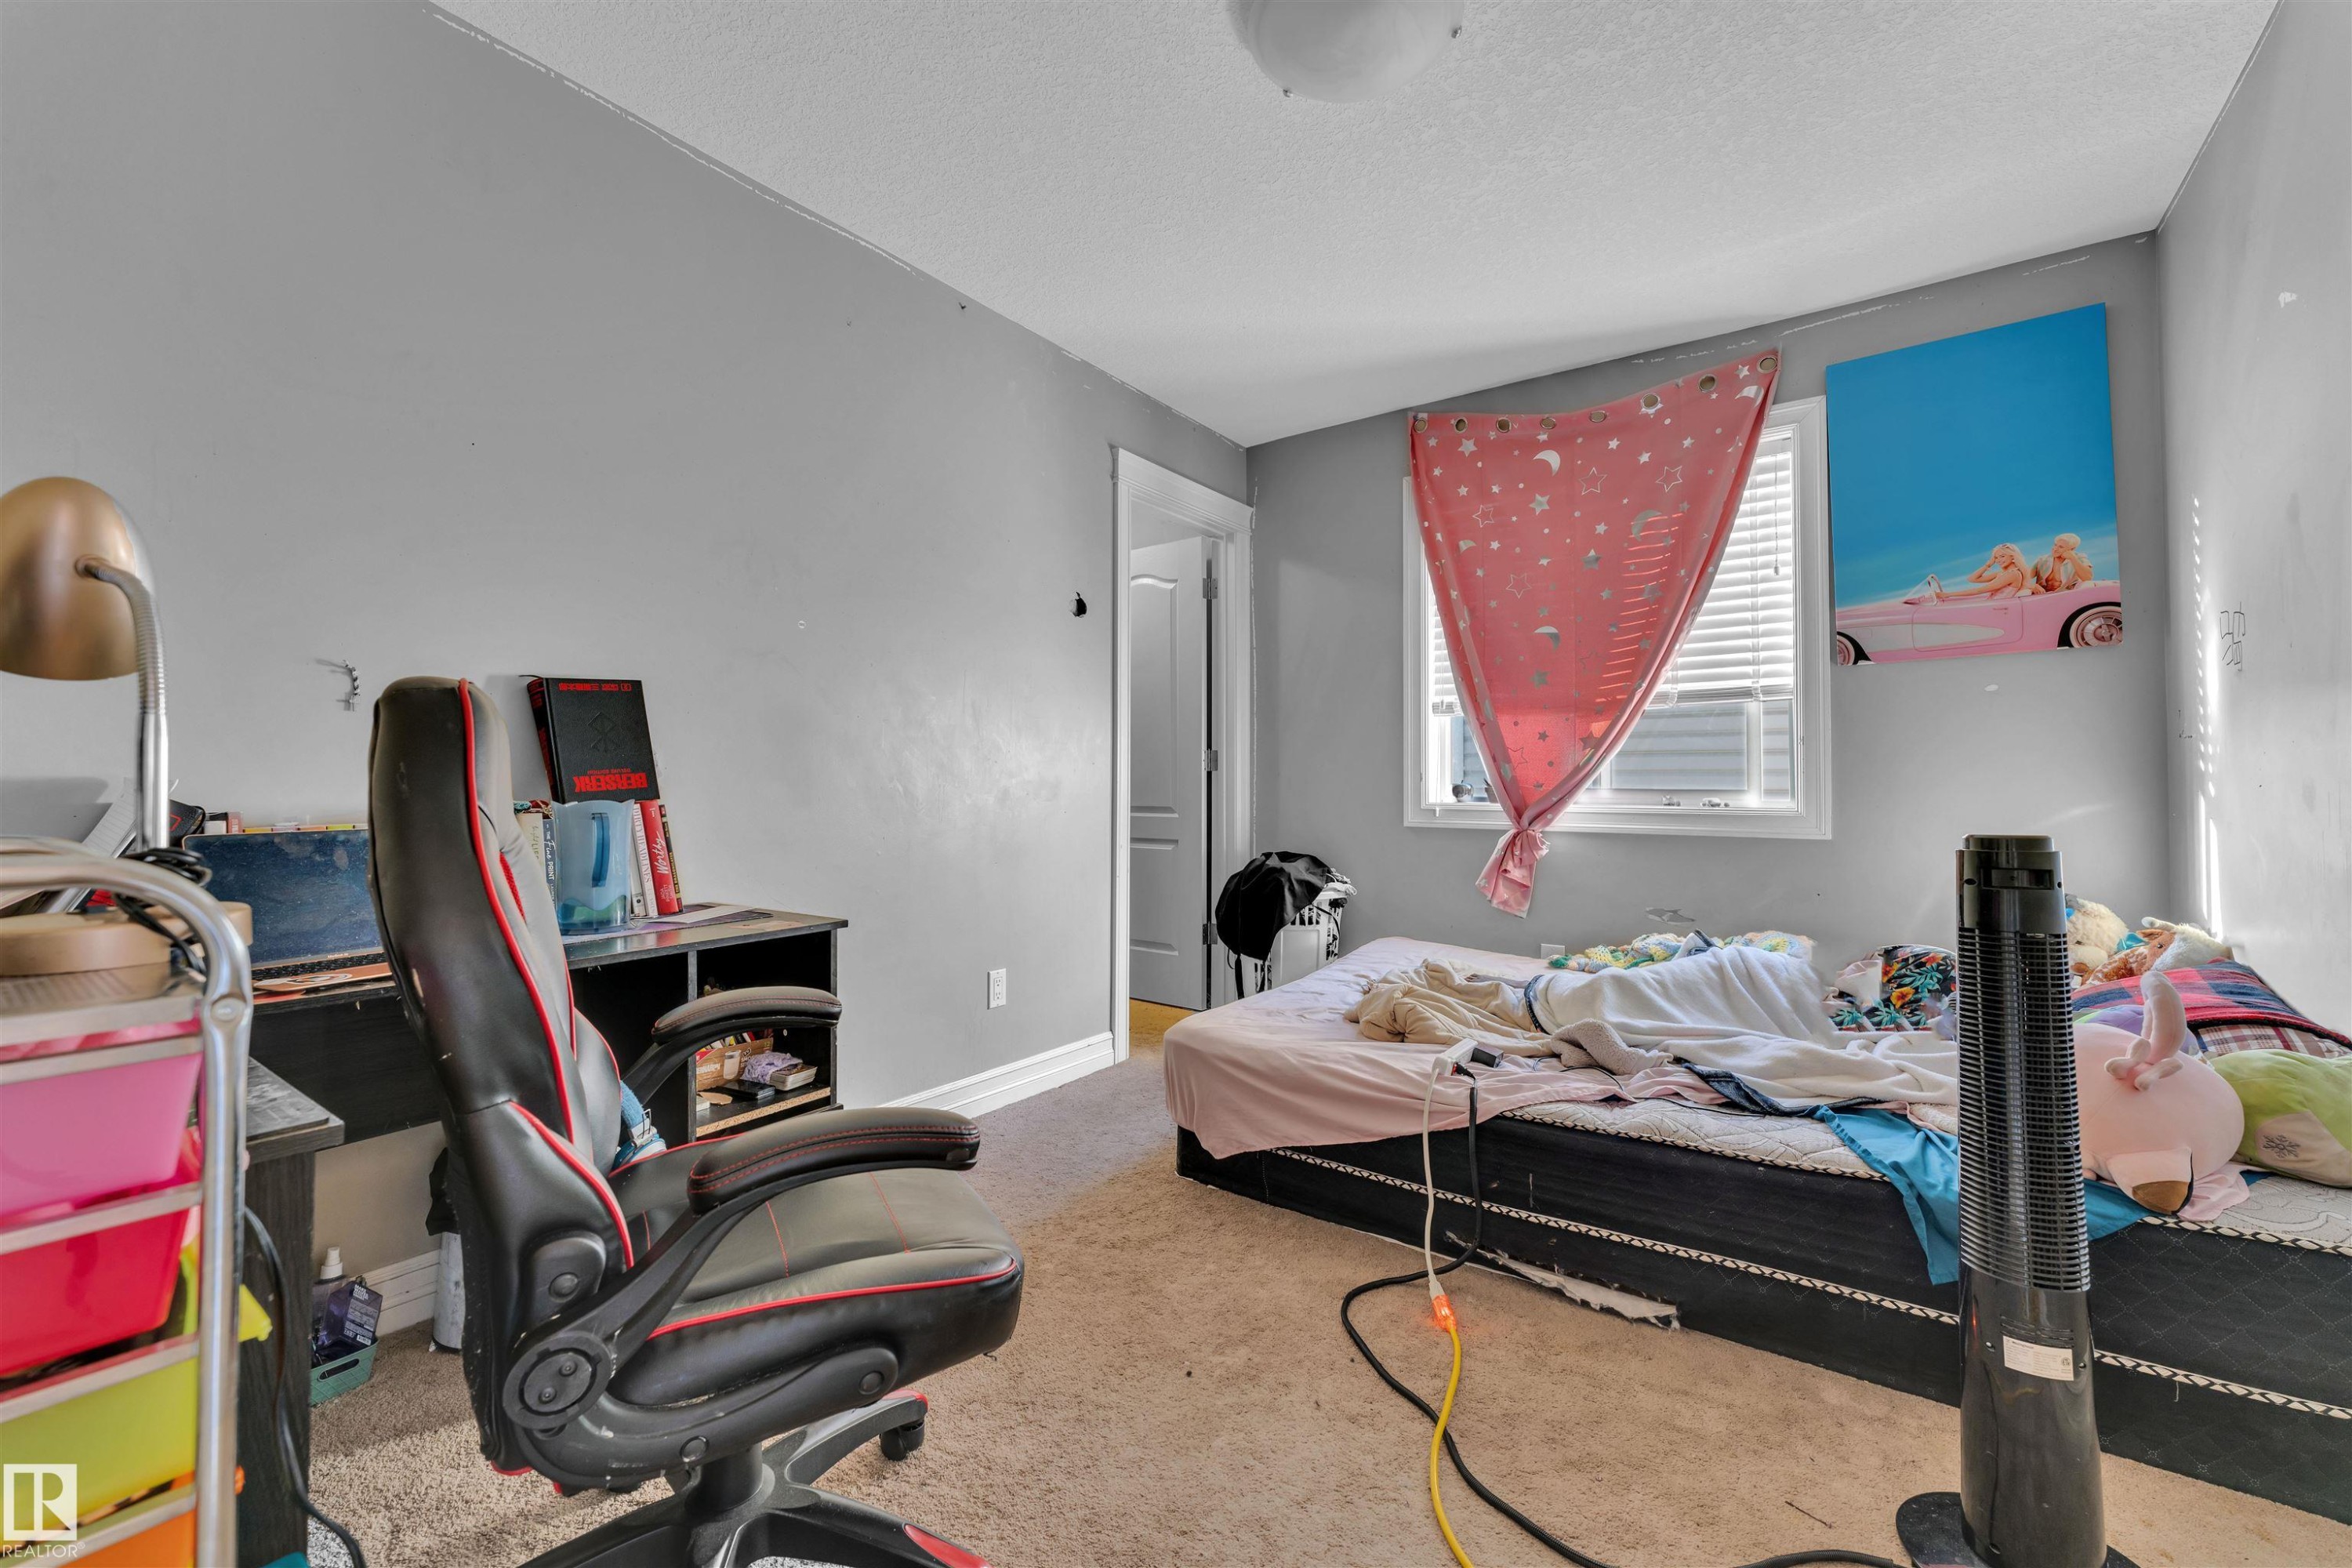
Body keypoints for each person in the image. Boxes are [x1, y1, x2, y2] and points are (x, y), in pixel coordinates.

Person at [1933, 542, 2030, 601]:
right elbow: (1972, 579)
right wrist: (1988, 565)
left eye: (2002, 556)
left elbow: (1980, 590)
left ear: (2012, 556)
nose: (1999, 560)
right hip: (1992, 604)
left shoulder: (2013, 574)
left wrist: (1948, 594)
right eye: (1996, 558)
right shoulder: (2002, 573)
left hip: (1997, 608)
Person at [2031, 532, 2095, 594]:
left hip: (2065, 596)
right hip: (2041, 597)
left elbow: (2087, 578)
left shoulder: (2079, 558)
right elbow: (2024, 577)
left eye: (2061, 547)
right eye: (2055, 545)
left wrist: (2073, 558)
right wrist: (2032, 586)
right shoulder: (2042, 560)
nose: (2055, 549)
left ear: (2072, 549)